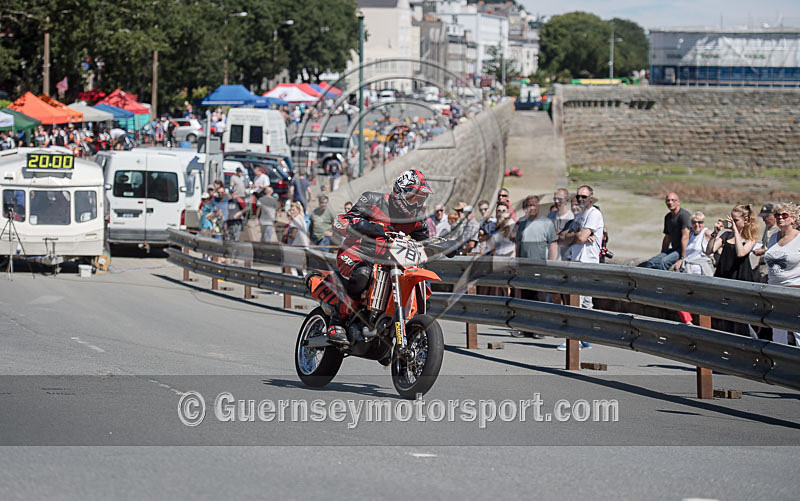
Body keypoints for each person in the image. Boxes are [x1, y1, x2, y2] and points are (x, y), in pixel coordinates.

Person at [328, 169, 432, 344]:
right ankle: (336, 323)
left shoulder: (417, 219)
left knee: (414, 281)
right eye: (414, 198)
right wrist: (371, 228)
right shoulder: (372, 200)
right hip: (357, 254)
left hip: (391, 262)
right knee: (363, 275)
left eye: (421, 199)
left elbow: (424, 241)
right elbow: (343, 220)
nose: (417, 203)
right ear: (401, 192)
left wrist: (446, 245)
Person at [557, 185, 604, 350]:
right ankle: (584, 338)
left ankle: (575, 339)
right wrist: (575, 236)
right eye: (578, 196)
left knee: (581, 303)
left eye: (584, 197)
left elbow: (582, 237)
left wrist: (577, 236)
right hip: (576, 262)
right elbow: (562, 237)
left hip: (588, 264)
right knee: (577, 302)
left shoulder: (594, 214)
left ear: (591, 197)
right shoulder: (579, 216)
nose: (580, 199)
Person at [705, 204, 760, 336]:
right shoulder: (726, 235)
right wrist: (715, 233)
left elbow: (741, 253)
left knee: (742, 321)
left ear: (745, 221)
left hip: (741, 279)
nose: (732, 223)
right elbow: (709, 250)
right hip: (725, 278)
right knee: (727, 319)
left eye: (736, 220)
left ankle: (753, 345)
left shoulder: (750, 238)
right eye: (731, 220)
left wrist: (736, 232)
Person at [764, 202, 800, 345]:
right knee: (777, 332)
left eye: (785, 215)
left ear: (793, 218)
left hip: (795, 290)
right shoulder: (773, 237)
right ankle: (780, 364)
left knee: (798, 331)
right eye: (777, 215)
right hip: (774, 290)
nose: (780, 218)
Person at [639, 192, 691, 271]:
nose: (670, 202)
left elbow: (685, 237)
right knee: (651, 262)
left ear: (678, 202)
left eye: (673, 200)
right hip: (674, 249)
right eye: (668, 200)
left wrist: (683, 258)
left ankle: (661, 282)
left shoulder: (684, 216)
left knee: (664, 262)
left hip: (684, 250)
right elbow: (667, 237)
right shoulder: (668, 217)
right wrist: (663, 253)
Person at [752, 203, 779, 283]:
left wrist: (763, 251)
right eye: (763, 217)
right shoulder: (768, 228)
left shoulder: (779, 229)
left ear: (774, 215)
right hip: (762, 263)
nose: (764, 220)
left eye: (766, 217)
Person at [681, 211, 714, 276]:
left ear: (703, 223)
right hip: (688, 269)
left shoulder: (706, 233)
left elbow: (718, 240)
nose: (697, 224)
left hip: (702, 270)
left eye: (700, 222)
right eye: (694, 222)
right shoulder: (690, 234)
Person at [548, 188, 574, 261]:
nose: (556, 201)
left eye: (559, 199)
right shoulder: (550, 215)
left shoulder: (571, 217)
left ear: (566, 200)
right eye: (555, 199)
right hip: (551, 256)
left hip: (565, 258)